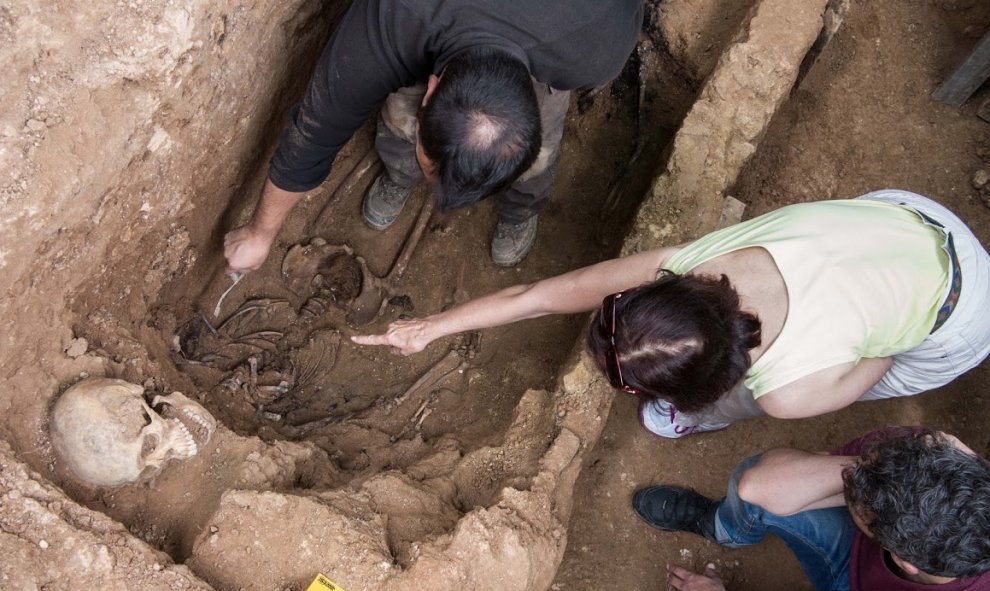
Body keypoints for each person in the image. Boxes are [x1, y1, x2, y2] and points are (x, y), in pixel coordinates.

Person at [352, 189, 990, 437]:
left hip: (959, 313)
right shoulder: (699, 258)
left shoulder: (787, 393)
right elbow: (537, 296)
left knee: (865, 360)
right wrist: (432, 327)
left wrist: (869, 320)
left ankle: (690, 418)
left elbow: (877, 360)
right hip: (910, 226)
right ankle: (682, 411)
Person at [223, 0, 643, 270]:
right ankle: (401, 172)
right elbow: (313, 132)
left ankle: (520, 210)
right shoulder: (394, 20)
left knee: (538, 157)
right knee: (400, 119)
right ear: (431, 88)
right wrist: (260, 234)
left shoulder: (596, 47)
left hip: (564, 31)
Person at [635, 428, 990, 591]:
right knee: (757, 493)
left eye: (863, 510)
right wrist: (875, 469)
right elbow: (757, 485)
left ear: (904, 561)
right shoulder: (923, 457)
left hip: (851, 582)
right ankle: (719, 525)